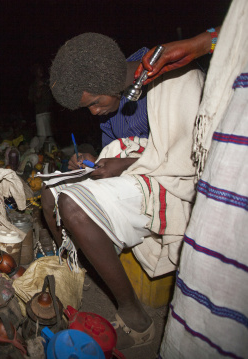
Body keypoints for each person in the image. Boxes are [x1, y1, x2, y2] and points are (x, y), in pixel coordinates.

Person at [42, 32, 205, 349]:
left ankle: (136, 318)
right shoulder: (115, 93)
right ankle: (80, 265)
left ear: (109, 81)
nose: (94, 112)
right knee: (50, 192)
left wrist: (125, 163)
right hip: (135, 171)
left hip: (170, 179)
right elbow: (112, 150)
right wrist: (93, 160)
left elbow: (192, 159)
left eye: (94, 103)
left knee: (73, 206)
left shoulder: (178, 78)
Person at [134, 1, 247, 357]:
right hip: (238, 120)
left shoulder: (174, 88)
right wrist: (205, 42)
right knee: (217, 260)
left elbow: (177, 156)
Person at [28, 63, 55, 151]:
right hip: (40, 113)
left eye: (41, 69)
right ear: (35, 72)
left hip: (49, 112)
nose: (41, 71)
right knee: (42, 136)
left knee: (50, 137)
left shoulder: (47, 82)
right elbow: (33, 100)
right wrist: (39, 90)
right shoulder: (34, 86)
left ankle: (51, 154)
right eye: (38, 70)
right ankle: (37, 153)